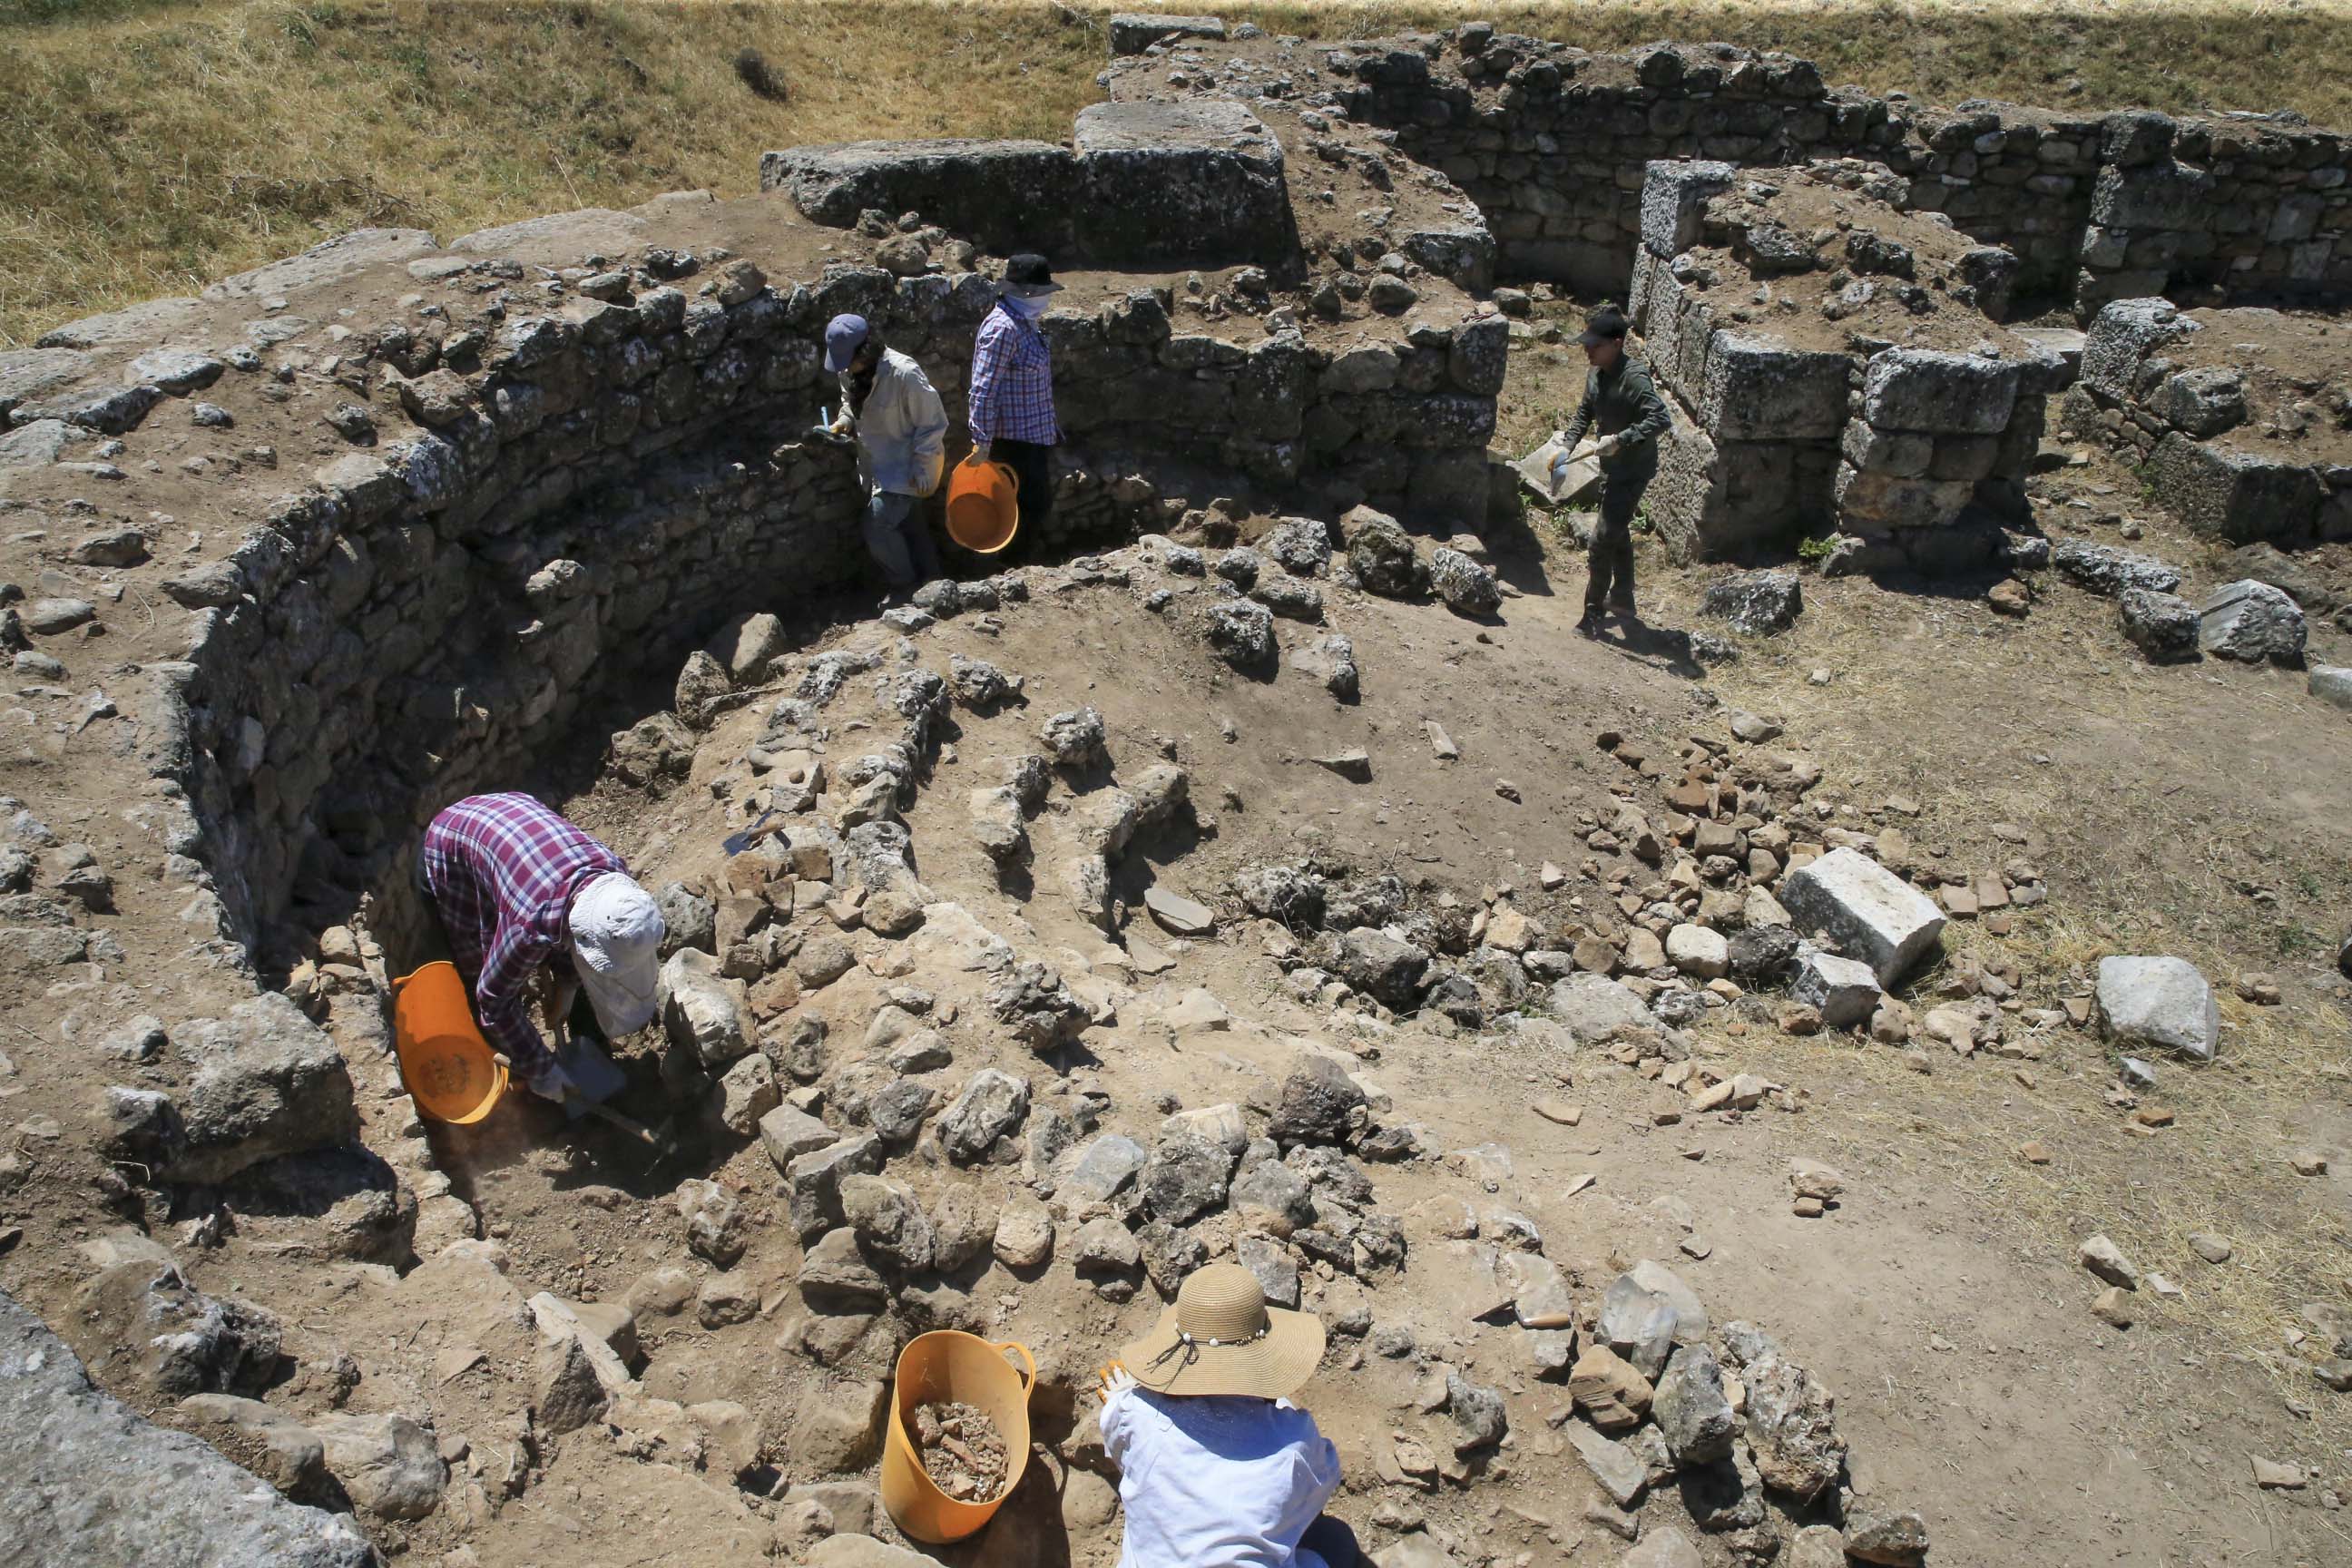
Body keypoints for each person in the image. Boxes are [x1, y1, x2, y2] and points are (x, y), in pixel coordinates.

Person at [1096, 1263, 1358, 1568]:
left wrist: (1132, 1396)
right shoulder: (1295, 1441)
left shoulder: (1136, 1414)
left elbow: (1117, 1434)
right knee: (1335, 1540)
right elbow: (1323, 1476)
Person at [418, 792, 665, 1106]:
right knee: (480, 971)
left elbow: (575, 946)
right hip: (451, 854)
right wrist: (541, 1070)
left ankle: (590, 1059)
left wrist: (566, 987)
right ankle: (528, 1083)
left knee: (572, 963)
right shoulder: (529, 926)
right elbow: (492, 999)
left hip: (515, 836)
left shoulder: (617, 886)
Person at [1555, 305, 1669, 637]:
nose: (1587, 350)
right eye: (1586, 343)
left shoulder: (1634, 378)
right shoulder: (1596, 373)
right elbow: (1584, 412)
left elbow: (1660, 419)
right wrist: (1567, 447)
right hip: (1610, 468)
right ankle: (1623, 599)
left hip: (1632, 471)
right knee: (1616, 531)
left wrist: (1622, 439)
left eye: (1594, 344)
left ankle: (1592, 614)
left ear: (1617, 343)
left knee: (1601, 542)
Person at [822, 312, 948, 594]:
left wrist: (922, 468)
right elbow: (849, 402)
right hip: (876, 464)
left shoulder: (904, 373)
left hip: (907, 466)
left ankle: (904, 586)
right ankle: (935, 584)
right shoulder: (849, 370)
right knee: (913, 526)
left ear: (864, 351)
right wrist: (844, 421)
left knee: (877, 527)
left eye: (849, 361)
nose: (846, 368)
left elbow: (932, 424)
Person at [966, 252, 1063, 537]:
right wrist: (981, 442)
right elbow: (983, 389)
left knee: (1036, 507)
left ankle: (1027, 567)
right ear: (1027, 293)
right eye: (1042, 293)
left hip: (1033, 436)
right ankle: (1016, 570)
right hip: (1013, 442)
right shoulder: (1002, 329)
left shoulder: (1024, 322)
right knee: (1021, 513)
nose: (1046, 299)